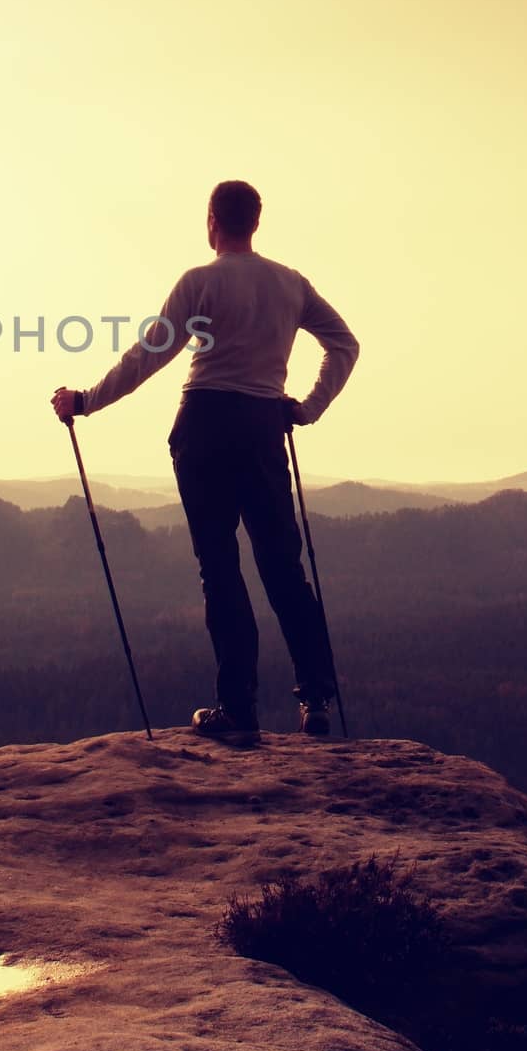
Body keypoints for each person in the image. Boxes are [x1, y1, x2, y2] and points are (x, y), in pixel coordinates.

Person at [50, 180, 358, 740]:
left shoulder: (200, 283)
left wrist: (87, 401)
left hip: (205, 426)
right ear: (256, 223)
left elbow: (149, 354)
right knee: (283, 567)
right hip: (265, 425)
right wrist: (307, 408)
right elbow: (345, 344)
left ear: (212, 221)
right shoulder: (291, 284)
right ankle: (316, 700)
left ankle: (237, 710)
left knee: (220, 569)